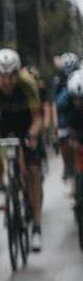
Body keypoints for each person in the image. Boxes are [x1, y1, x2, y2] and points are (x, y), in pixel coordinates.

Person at [0, 48, 44, 251]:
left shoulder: (27, 84)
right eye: (2, 76)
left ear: (17, 74)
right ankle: (1, 186)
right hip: (2, 120)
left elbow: (37, 118)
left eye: (11, 76)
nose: (6, 81)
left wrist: (32, 134)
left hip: (25, 121)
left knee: (33, 172)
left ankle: (36, 228)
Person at [53, 52, 81, 182]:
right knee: (65, 141)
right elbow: (57, 107)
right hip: (69, 120)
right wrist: (57, 127)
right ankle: (69, 167)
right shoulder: (61, 86)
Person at [56, 69, 83, 197]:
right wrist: (68, 137)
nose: (79, 102)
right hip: (74, 129)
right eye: (76, 99)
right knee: (68, 146)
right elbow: (62, 124)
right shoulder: (63, 102)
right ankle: (71, 173)